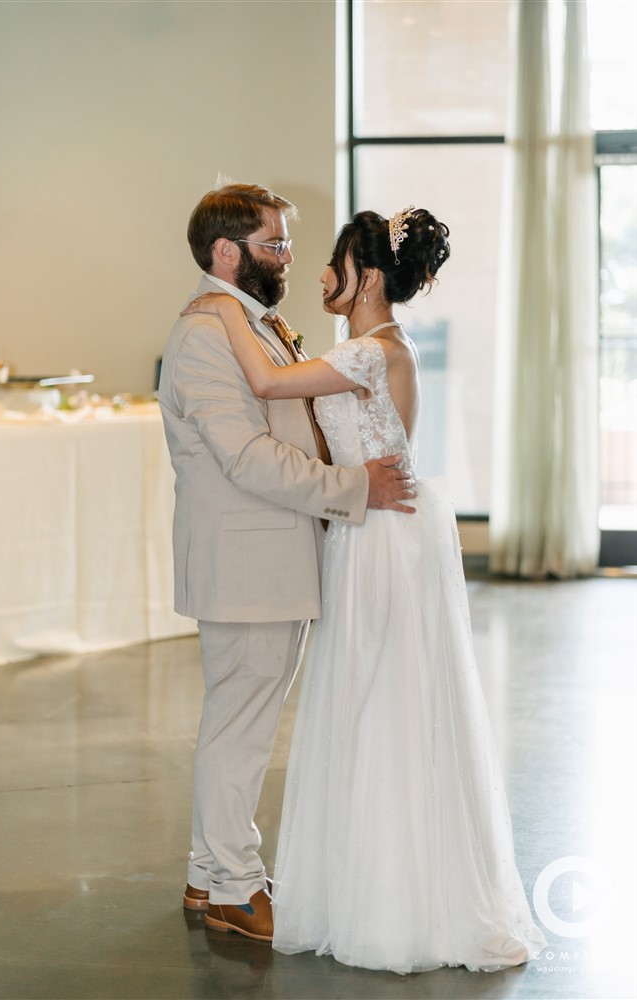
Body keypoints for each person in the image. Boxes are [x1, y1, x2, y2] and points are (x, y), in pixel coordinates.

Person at [186, 205, 547, 973]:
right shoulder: (370, 345)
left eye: (329, 259)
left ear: (369, 276)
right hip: (367, 527)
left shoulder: (364, 351)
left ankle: (382, 890)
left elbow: (265, 383)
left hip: (376, 532)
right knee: (377, 695)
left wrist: (219, 307)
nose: (310, 269)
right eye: (280, 245)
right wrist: (221, 308)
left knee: (379, 698)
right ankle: (272, 878)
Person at [157, 183, 415, 944]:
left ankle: (209, 874)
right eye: (273, 245)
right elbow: (243, 456)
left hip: (273, 556)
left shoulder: (245, 321)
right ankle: (237, 887)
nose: (288, 258)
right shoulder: (209, 330)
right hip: (246, 561)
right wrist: (352, 489)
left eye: (288, 244)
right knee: (239, 726)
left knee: (240, 720)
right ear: (225, 252)